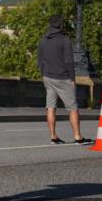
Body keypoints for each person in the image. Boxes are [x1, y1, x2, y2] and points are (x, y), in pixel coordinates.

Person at [37, 15, 87, 144]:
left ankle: (53, 136)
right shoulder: (65, 40)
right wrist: (72, 78)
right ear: (61, 26)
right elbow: (69, 61)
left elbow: (40, 60)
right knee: (73, 108)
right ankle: (78, 137)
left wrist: (43, 74)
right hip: (63, 78)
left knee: (50, 107)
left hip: (48, 77)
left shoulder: (43, 40)